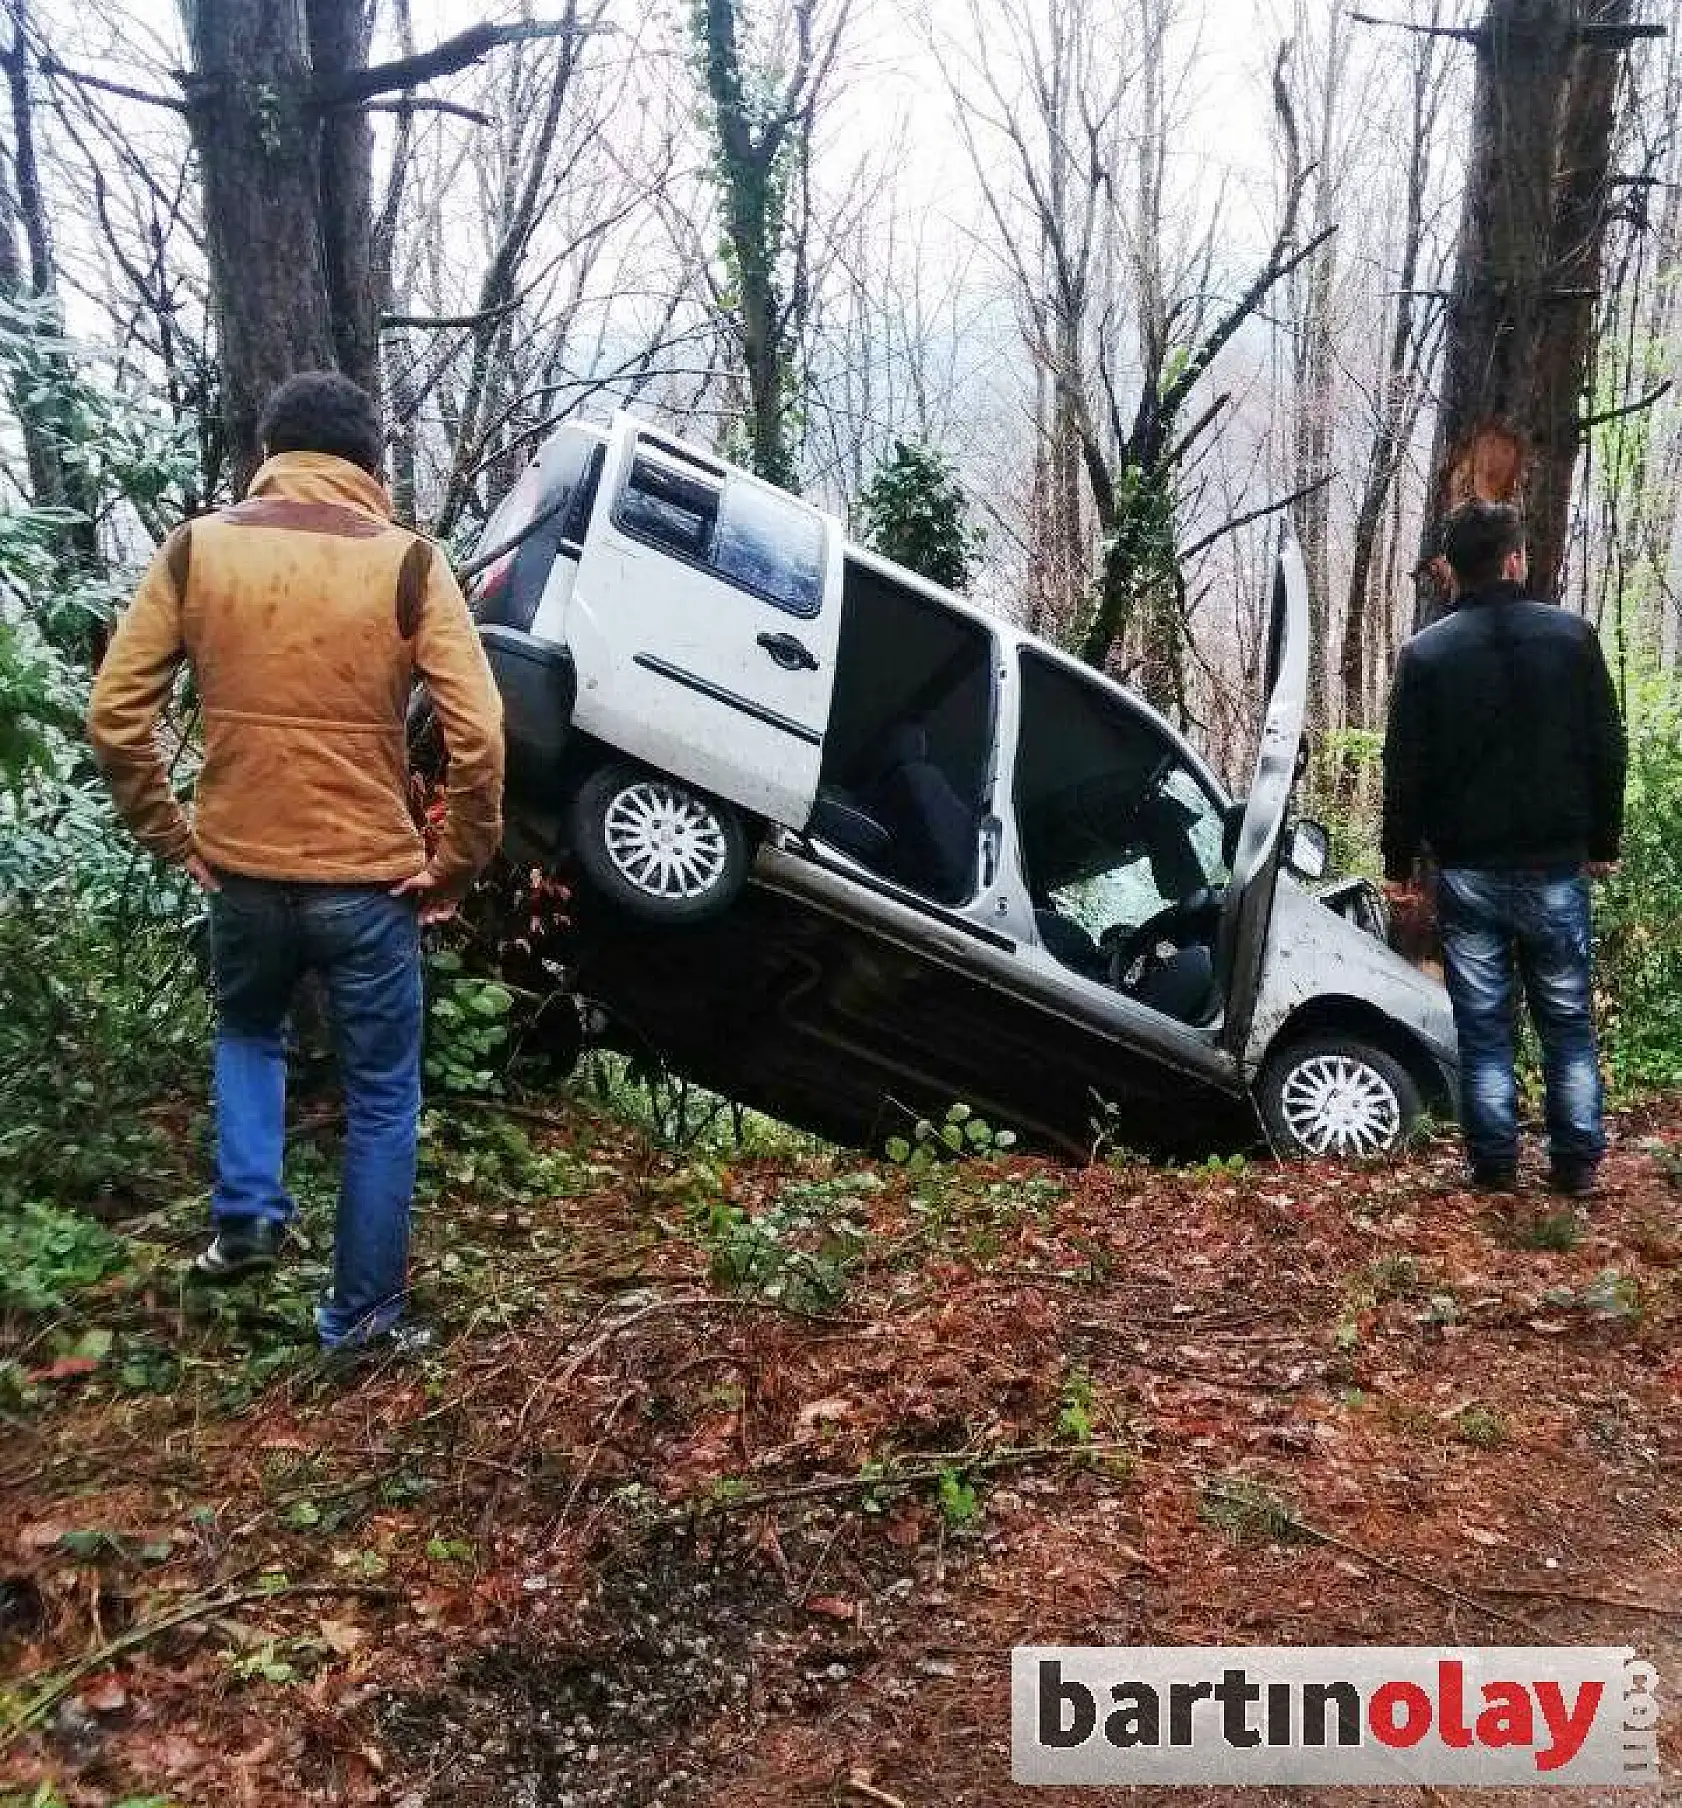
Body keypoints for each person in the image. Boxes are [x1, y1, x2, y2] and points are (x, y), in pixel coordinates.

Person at [88, 371, 505, 1348]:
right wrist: (455, 862)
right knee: (381, 1098)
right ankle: (359, 1320)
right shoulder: (408, 562)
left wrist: (170, 835)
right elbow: (479, 730)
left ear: (267, 451)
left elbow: (114, 718)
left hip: (239, 866)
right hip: (368, 881)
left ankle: (246, 1210)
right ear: (370, 466)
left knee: (246, 1028)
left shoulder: (198, 550)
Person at [1381, 500, 1627, 1196]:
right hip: (1554, 864)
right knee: (1566, 1022)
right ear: (1514, 560)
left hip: (1470, 871)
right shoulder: (1573, 637)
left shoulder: (1427, 653)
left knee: (1486, 1026)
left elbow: (1407, 770)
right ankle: (1576, 1163)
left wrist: (1400, 864)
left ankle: (1493, 1167)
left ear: (1451, 571)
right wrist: (1601, 841)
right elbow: (1607, 748)